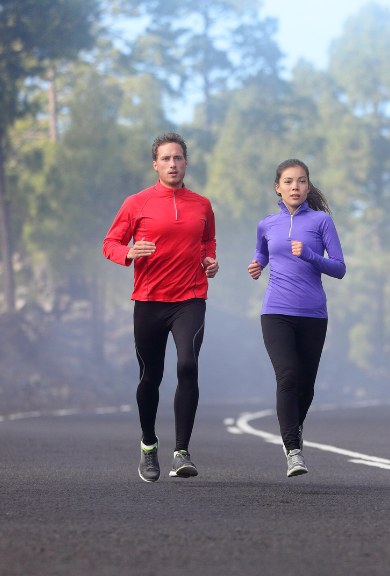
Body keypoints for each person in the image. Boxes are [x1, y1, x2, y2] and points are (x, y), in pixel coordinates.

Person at [102, 132, 219, 483]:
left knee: (187, 364)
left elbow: (207, 239)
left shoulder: (202, 204)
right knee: (150, 376)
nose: (173, 164)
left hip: (190, 298)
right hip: (150, 300)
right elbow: (110, 241)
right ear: (155, 164)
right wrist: (127, 253)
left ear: (186, 163)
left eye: (178, 158)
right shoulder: (136, 202)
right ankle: (149, 444)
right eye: (166, 159)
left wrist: (210, 260)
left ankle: (181, 451)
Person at [247, 159, 346, 477]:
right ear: (278, 187)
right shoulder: (266, 224)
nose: (295, 187)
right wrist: (256, 264)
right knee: (287, 376)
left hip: (313, 314)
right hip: (276, 311)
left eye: (301, 181)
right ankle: (293, 450)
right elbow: (263, 251)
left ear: (308, 186)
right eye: (288, 181)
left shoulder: (321, 222)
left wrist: (311, 256)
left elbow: (339, 268)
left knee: (306, 385)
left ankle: (295, 427)